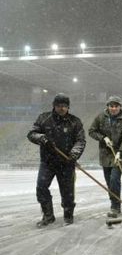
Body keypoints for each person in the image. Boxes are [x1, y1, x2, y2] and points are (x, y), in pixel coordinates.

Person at [27, 93, 86, 227]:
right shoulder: (44, 118)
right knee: (41, 188)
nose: (62, 108)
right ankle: (48, 215)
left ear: (68, 107)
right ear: (54, 106)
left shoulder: (75, 121)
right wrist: (42, 138)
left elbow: (80, 140)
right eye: (59, 106)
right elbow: (31, 134)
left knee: (67, 192)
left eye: (65, 106)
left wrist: (74, 155)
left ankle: (68, 214)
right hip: (47, 162)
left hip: (67, 162)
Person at [89, 96, 122, 218]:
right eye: (111, 106)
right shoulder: (100, 117)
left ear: (120, 107)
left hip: (120, 154)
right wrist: (103, 138)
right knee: (109, 182)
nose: (113, 108)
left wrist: (120, 152)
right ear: (107, 106)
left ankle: (115, 207)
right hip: (105, 154)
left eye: (116, 106)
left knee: (114, 179)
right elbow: (92, 131)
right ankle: (114, 202)